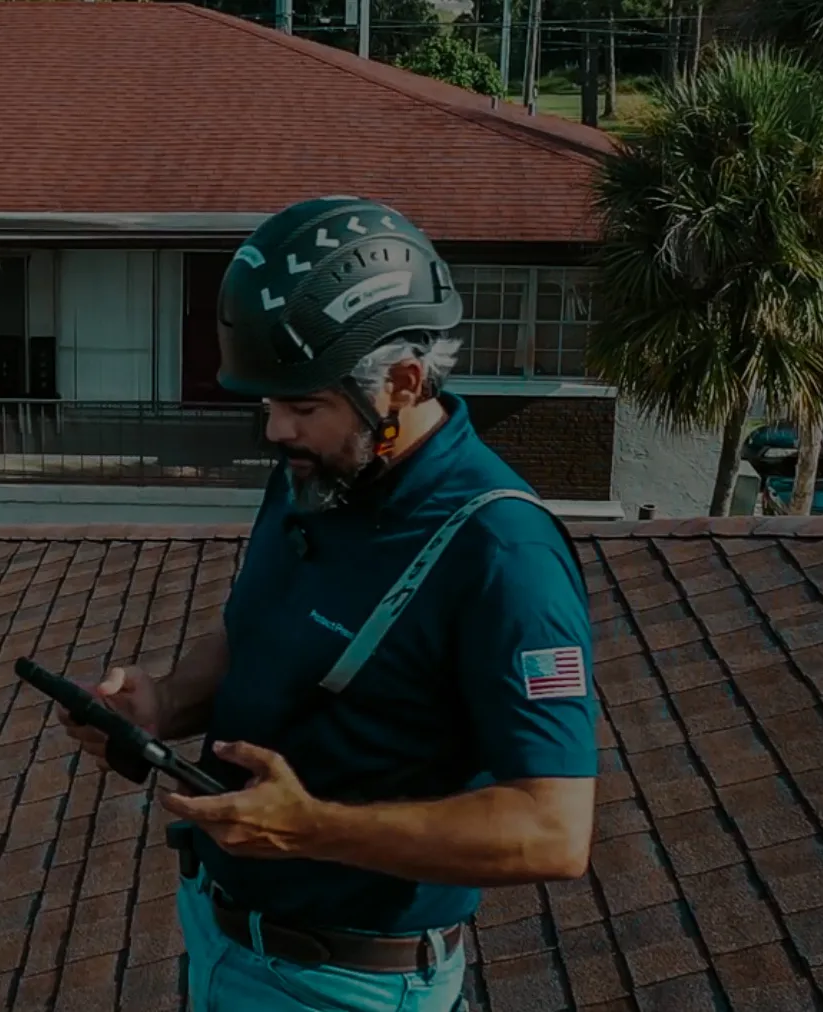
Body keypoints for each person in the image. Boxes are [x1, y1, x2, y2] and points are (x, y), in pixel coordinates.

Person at [56, 196, 600, 1011]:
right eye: (268, 403)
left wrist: (313, 828)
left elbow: (554, 831)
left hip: (347, 985)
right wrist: (164, 703)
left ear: (402, 384)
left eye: (303, 406)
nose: (275, 431)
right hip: (222, 934)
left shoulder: (502, 552)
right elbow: (257, 631)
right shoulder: (320, 472)